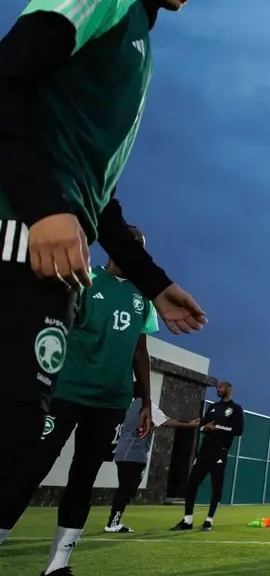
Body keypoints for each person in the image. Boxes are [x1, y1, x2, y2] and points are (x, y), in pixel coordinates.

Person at [0, 0, 207, 536]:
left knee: (18, 443)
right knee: (12, 436)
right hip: (15, 234)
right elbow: (5, 80)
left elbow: (96, 193)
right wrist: (43, 208)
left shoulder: (137, 45)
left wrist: (153, 281)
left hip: (53, 255)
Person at [0, 225, 168, 574]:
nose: (134, 254)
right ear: (113, 247)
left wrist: (147, 403)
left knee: (84, 478)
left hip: (111, 402)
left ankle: (58, 564)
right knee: (30, 468)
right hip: (66, 393)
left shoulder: (143, 298)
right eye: (130, 246)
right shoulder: (82, 279)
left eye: (140, 248)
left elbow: (140, 351)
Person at [107, 387, 198, 533]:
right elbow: (167, 422)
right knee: (126, 489)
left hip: (121, 452)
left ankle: (114, 521)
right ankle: (112, 523)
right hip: (134, 454)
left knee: (124, 488)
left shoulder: (126, 406)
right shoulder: (145, 406)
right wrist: (191, 424)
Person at [170, 381, 243, 531]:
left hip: (220, 451)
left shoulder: (235, 409)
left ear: (229, 389)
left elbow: (238, 430)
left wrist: (218, 428)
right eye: (217, 388)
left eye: (221, 387)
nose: (218, 389)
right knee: (191, 484)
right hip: (204, 451)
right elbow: (202, 426)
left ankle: (209, 520)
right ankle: (187, 520)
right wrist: (206, 427)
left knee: (216, 486)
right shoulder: (213, 407)